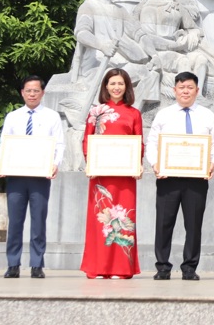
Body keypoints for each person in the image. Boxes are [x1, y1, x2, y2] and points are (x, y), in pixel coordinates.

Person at [146, 71, 214, 281]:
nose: (185, 91)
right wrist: (155, 164)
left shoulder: (207, 115)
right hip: (167, 178)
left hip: (196, 179)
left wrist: (212, 162)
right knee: (163, 223)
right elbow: (152, 142)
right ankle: (162, 267)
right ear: (174, 90)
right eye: (181, 87)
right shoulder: (164, 114)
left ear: (197, 90)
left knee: (194, 224)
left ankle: (189, 267)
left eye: (190, 87)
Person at [0, 76, 65, 279]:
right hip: (16, 175)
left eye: (36, 91)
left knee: (38, 222)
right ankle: (13, 264)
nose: (32, 94)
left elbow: (59, 144)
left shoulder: (52, 116)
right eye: (28, 90)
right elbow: (4, 143)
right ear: (22, 93)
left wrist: (55, 164)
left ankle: (37, 264)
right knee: (15, 222)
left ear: (42, 93)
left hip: (40, 176)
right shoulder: (13, 116)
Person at [80, 68, 144, 279]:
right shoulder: (95, 112)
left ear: (127, 87)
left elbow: (138, 142)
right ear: (105, 86)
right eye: (112, 83)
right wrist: (91, 163)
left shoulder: (134, 113)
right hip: (101, 175)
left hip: (125, 176)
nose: (117, 87)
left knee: (123, 218)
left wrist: (138, 164)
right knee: (101, 219)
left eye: (121, 84)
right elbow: (87, 140)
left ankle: (120, 268)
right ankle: (99, 267)